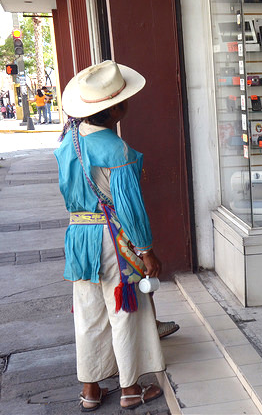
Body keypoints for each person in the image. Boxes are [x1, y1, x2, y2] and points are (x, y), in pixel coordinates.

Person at [54, 60, 165, 411]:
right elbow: (130, 209)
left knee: (88, 314)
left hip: (78, 236)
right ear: (116, 108)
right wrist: (146, 250)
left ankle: (90, 390)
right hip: (110, 240)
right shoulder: (114, 149)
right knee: (123, 309)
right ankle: (131, 389)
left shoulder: (66, 142)